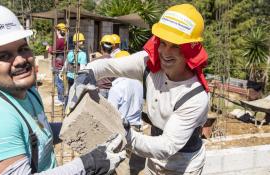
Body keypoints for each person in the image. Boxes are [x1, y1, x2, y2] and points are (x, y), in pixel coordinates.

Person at [0, 3, 125, 175]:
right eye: (4, 56)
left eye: (23, 49)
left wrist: (85, 125)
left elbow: (39, 133)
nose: (20, 60)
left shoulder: (28, 92)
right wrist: (89, 164)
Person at [67, 4, 209, 175]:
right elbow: (110, 66)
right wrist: (87, 73)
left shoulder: (194, 96)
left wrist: (127, 135)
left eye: (176, 46)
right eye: (162, 43)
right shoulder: (150, 64)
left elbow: (166, 147)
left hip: (183, 166)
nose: (165, 52)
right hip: (154, 159)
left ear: (190, 49)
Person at [108, 54, 143, 131]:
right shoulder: (138, 83)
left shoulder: (116, 88)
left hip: (123, 129)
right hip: (137, 128)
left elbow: (111, 114)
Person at [49, 23, 67, 106]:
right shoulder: (64, 40)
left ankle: (61, 99)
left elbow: (53, 51)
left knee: (58, 82)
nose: (56, 31)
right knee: (59, 81)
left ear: (59, 31)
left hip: (58, 63)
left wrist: (48, 48)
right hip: (60, 62)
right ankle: (60, 97)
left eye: (57, 30)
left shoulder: (59, 40)